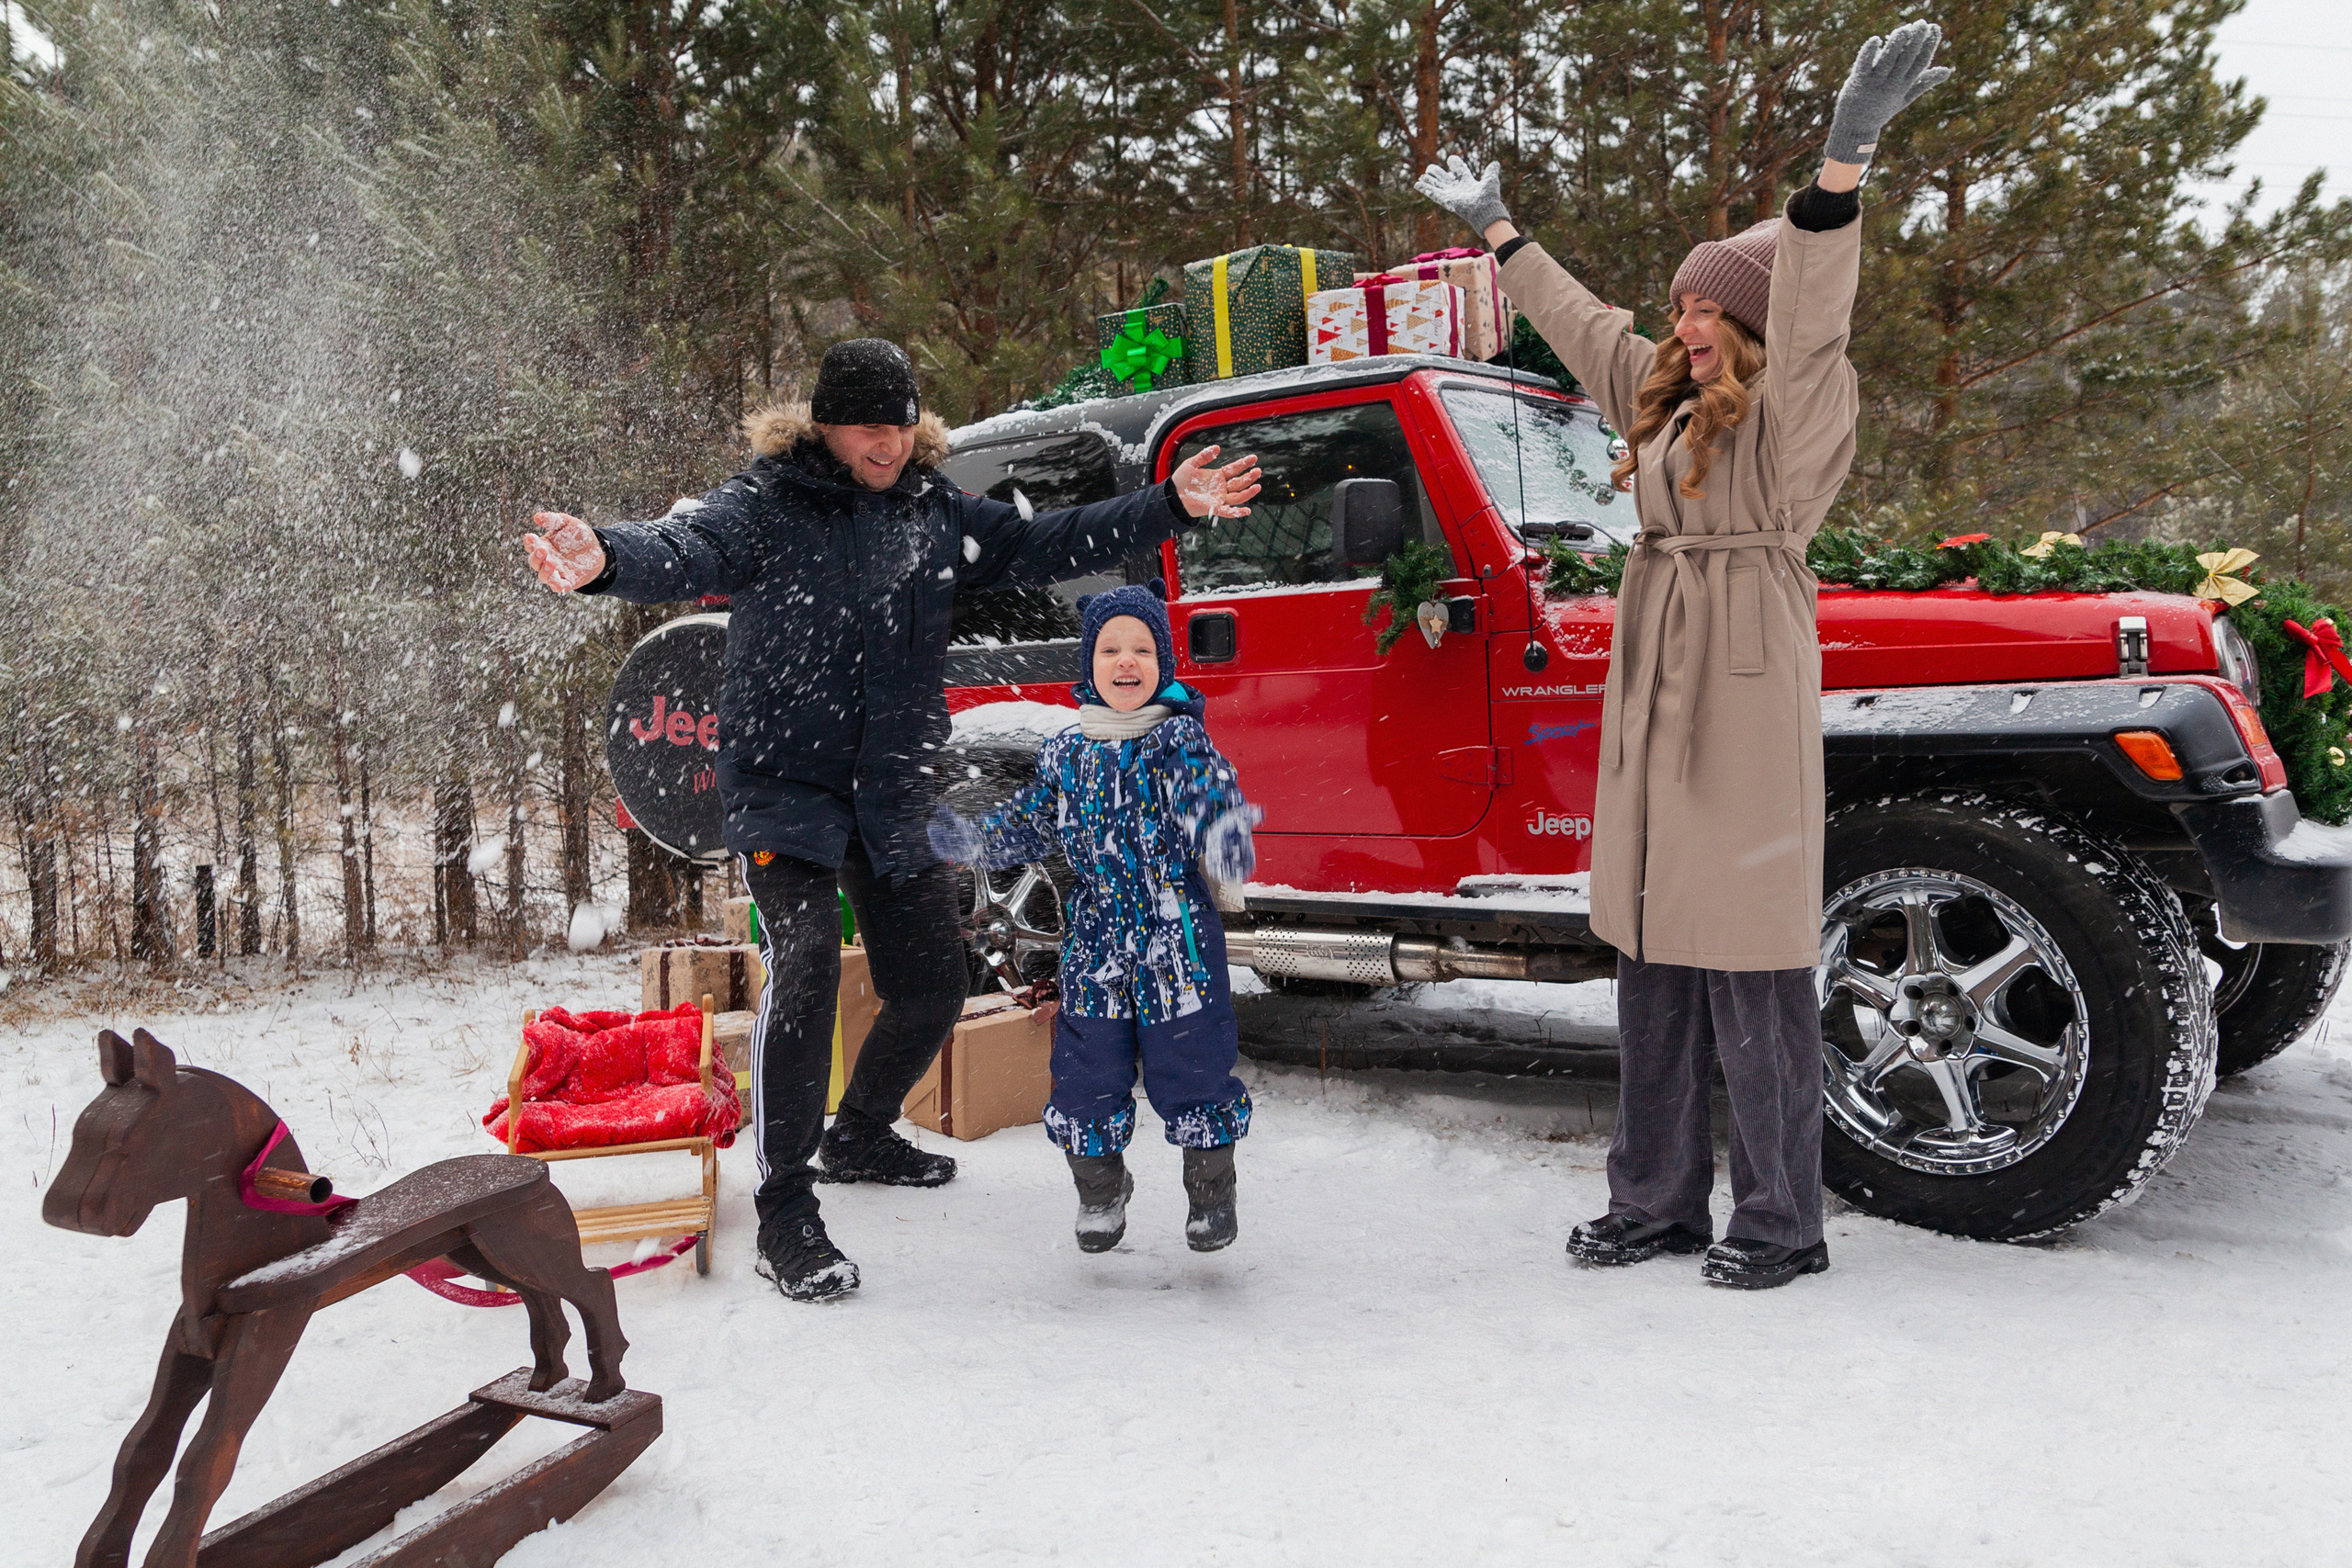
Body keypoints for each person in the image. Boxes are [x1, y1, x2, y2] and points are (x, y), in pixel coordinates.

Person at [524, 338, 1262, 1302]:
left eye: (902, 425)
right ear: (825, 424)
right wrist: (606, 560)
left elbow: (1050, 540)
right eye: (869, 427)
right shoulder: (766, 504)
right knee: (804, 971)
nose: (888, 444)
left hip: (891, 784)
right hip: (785, 788)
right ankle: (785, 1210)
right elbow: (685, 546)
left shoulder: (932, 510)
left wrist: (1168, 505)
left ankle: (862, 1132)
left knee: (931, 982)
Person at [1416, 22, 1951, 1289]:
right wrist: (1499, 231)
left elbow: (1814, 308)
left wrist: (1843, 160)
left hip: (1743, 664)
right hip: (1658, 669)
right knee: (1653, 945)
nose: (1685, 322)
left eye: (1708, 306)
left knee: (1751, 954)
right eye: (1681, 305)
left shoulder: (1798, 404)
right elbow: (1585, 327)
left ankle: (1779, 1220)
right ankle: (1653, 1199)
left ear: (1752, 323)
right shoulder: (1664, 399)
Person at [928, 582, 1260, 1254]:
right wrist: (974, 838)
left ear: (1163, 664)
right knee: (1085, 1070)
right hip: (1097, 937)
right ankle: (1101, 1191)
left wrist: (1221, 829)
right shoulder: (1068, 753)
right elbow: (1030, 820)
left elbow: (1209, 791)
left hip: (1175, 936)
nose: (1126, 661)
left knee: (1194, 1064)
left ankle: (1210, 1194)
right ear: (1090, 665)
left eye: (1142, 649)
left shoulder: (1178, 741)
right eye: (1110, 649)